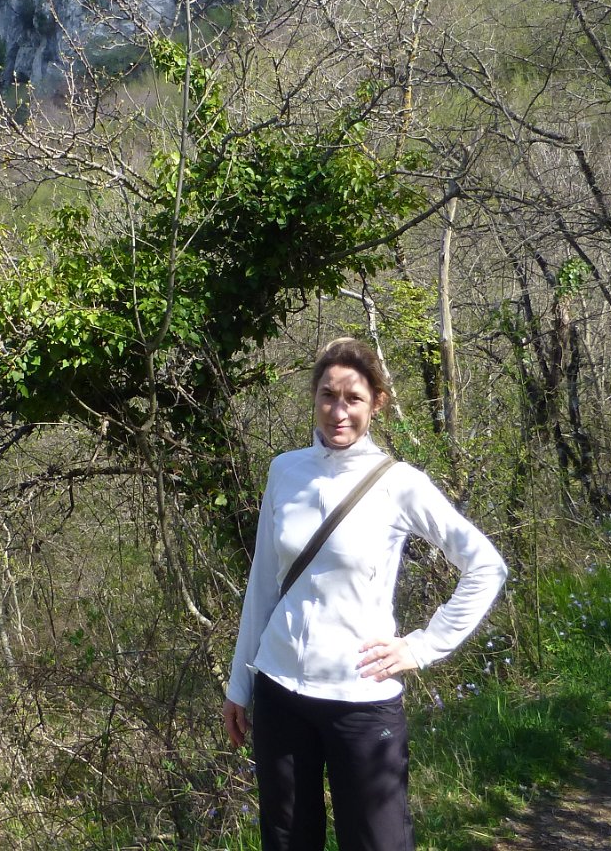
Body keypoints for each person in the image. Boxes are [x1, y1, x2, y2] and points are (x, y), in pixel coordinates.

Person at [223, 337, 508, 851]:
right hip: (279, 691)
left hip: (360, 699)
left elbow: (486, 566)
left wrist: (421, 646)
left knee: (378, 842)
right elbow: (263, 583)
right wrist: (239, 686)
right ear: (314, 397)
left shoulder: (400, 484)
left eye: (353, 398)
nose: (338, 412)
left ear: (377, 402)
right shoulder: (285, 471)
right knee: (286, 841)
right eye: (328, 395)